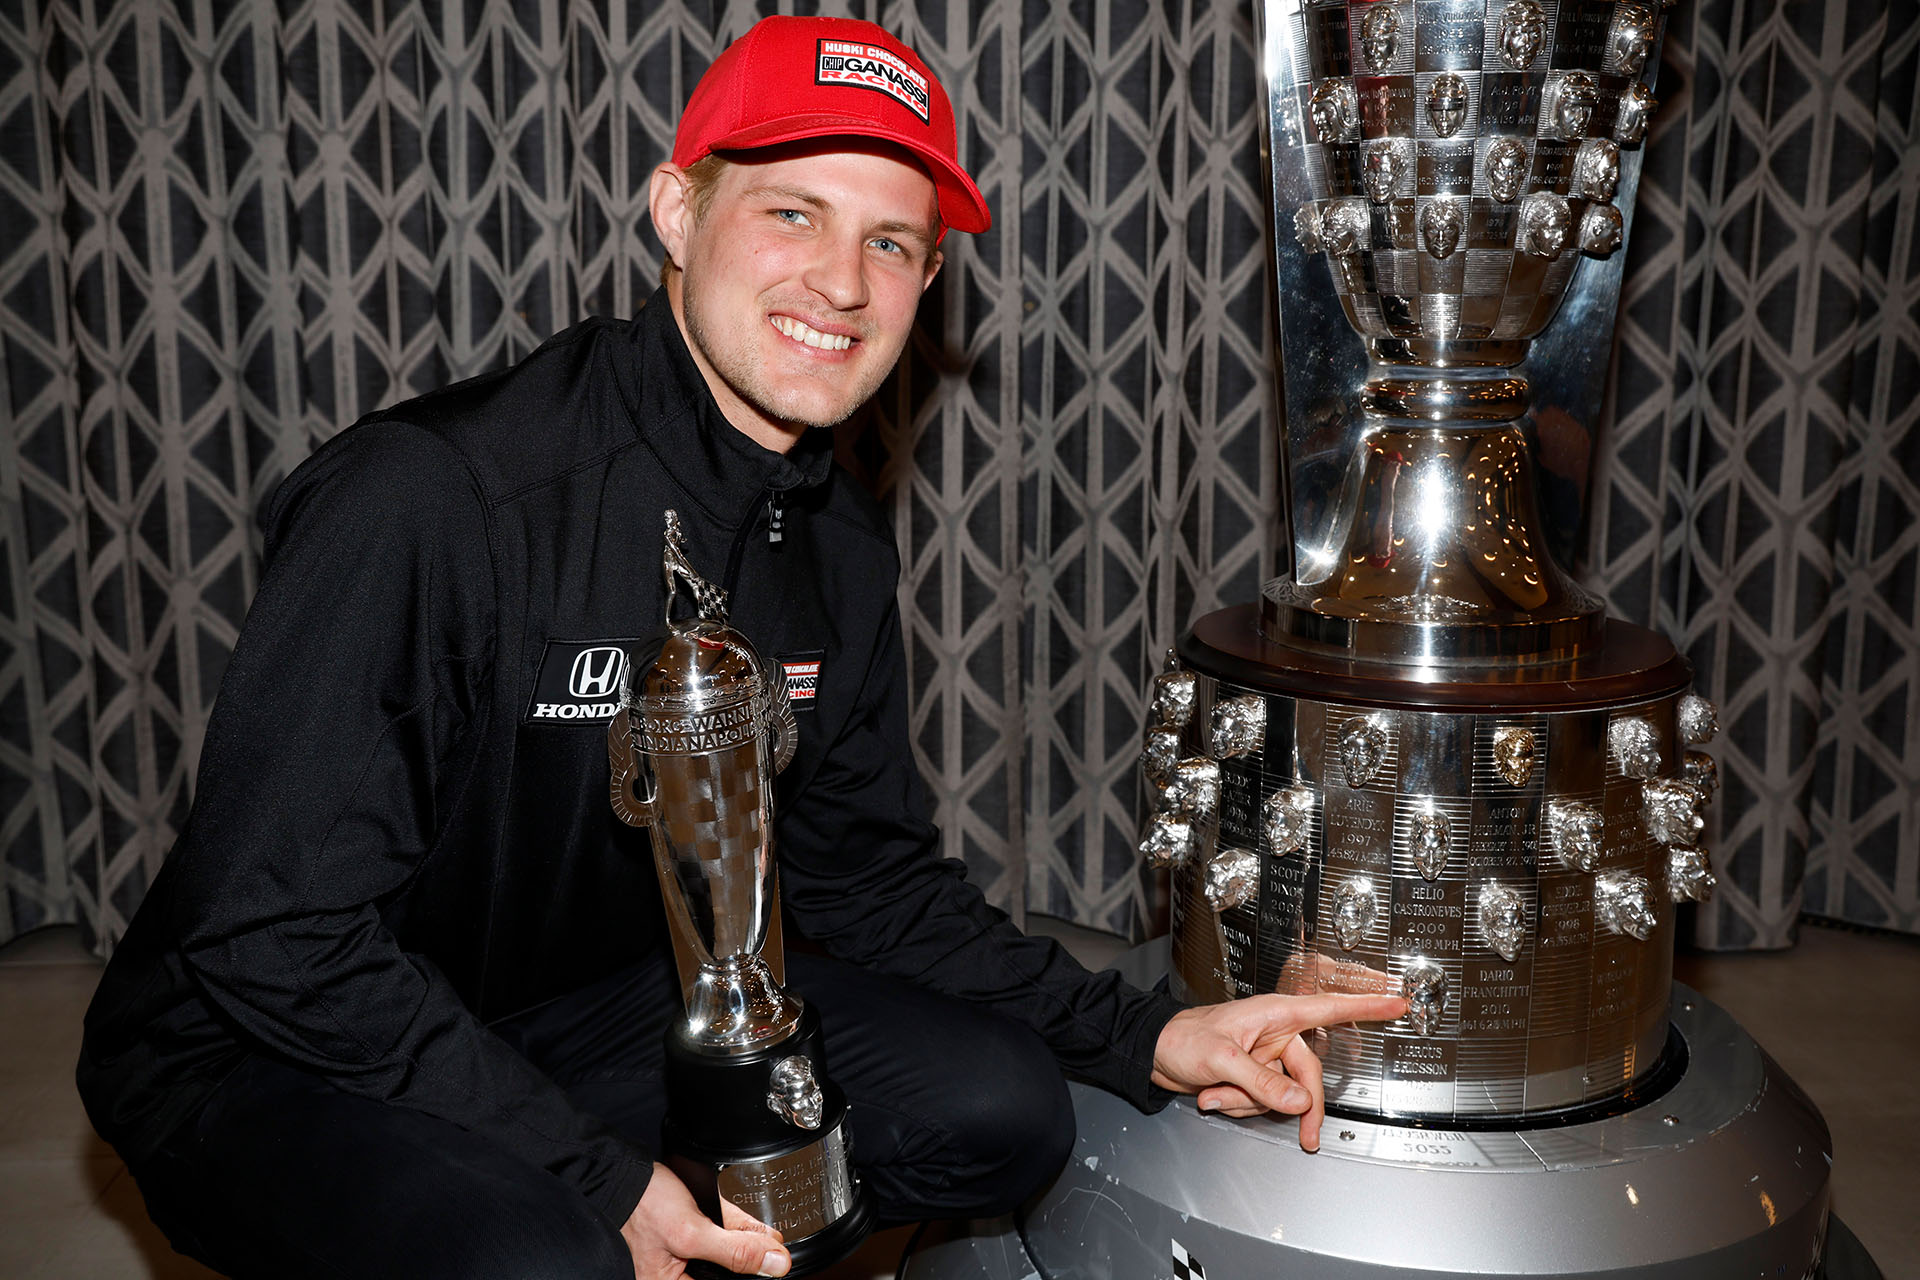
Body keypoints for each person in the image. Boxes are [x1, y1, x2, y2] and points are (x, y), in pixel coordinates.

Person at [77, 16, 1405, 1280]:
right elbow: (274, 934)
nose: (843, 283)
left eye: (895, 244)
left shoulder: (834, 548)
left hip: (569, 1005)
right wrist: (590, 1174)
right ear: (676, 212)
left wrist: (1150, 1035)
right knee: (548, 1253)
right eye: (792, 213)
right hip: (262, 1043)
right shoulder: (427, 500)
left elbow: (864, 883)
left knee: (1001, 1112)